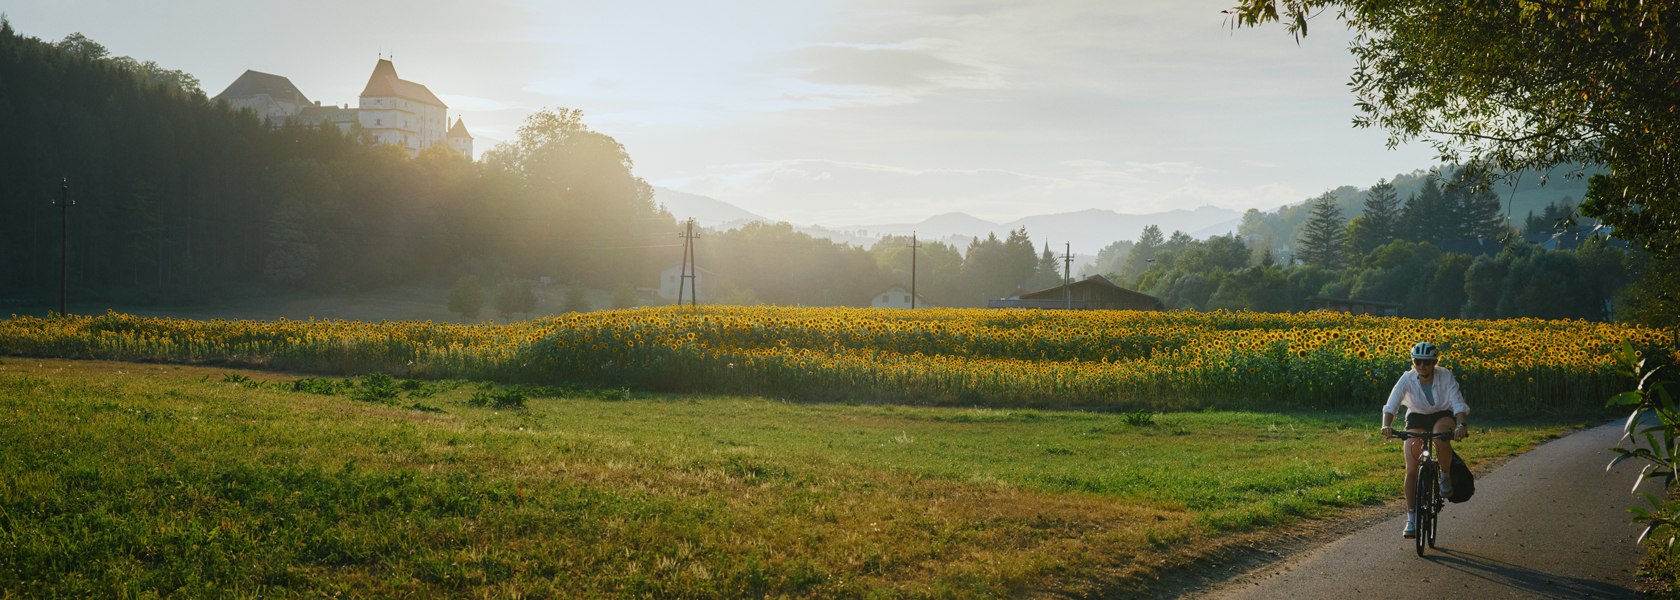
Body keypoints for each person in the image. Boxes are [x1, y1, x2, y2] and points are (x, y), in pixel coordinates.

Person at [1380, 341, 1469, 539]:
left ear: (1434, 362)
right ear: (1413, 363)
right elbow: (1391, 404)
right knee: (1411, 468)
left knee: (1441, 436)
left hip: (1442, 414)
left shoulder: (1445, 376)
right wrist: (1386, 425)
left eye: (1427, 363)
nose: (1422, 366)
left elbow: (1457, 403)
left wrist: (1461, 425)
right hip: (1417, 416)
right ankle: (1411, 518)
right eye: (1418, 362)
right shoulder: (1407, 378)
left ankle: (1444, 475)